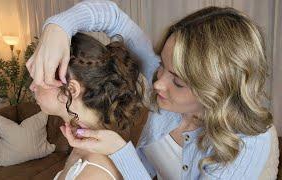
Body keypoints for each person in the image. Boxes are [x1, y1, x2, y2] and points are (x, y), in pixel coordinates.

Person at [26, 1, 279, 179]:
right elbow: (112, 17)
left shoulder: (247, 144)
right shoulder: (166, 91)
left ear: (216, 92)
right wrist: (57, 28)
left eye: (177, 81)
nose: (157, 83)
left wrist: (120, 152)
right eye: (162, 66)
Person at [29, 32, 145, 180]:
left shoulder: (94, 173)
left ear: (71, 90)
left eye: (41, 76)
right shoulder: (84, 144)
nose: (32, 86)